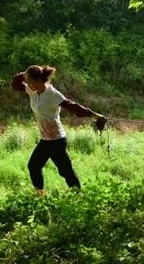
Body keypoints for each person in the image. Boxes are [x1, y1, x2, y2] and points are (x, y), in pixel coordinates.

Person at [11, 65, 106, 195]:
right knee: (33, 166)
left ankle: (78, 195)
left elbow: (73, 107)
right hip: (45, 140)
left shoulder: (53, 94)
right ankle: (40, 196)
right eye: (27, 81)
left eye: (30, 81)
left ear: (39, 81)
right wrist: (26, 73)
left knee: (66, 171)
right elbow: (15, 84)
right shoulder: (31, 90)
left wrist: (96, 116)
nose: (27, 84)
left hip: (56, 141)